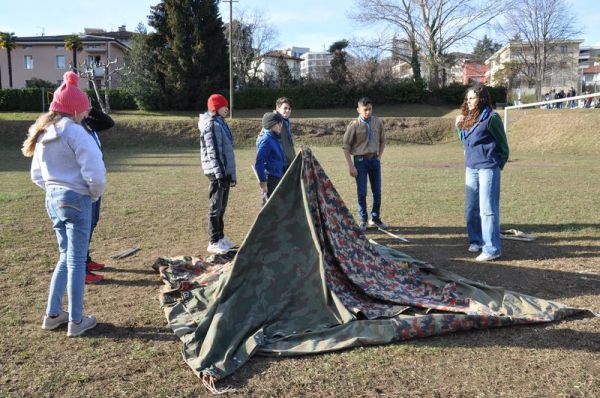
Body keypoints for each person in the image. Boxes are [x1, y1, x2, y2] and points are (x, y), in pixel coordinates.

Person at [22, 71, 106, 336]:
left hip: (53, 199)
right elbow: (96, 173)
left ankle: (53, 314)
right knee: (77, 261)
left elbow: (37, 175)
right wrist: (91, 195)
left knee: (65, 256)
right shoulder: (77, 133)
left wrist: (55, 190)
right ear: (76, 110)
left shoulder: (44, 133)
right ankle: (77, 320)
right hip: (77, 199)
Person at [455, 85, 509, 262]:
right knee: (471, 208)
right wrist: (458, 127)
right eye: (467, 98)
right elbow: (466, 141)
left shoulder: (492, 118)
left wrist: (495, 165)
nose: (468, 101)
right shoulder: (469, 117)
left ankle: (492, 249)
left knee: (487, 209)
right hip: (471, 168)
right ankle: (476, 241)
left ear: (482, 99)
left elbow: (504, 147)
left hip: (488, 168)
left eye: (472, 98)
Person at [198, 94, 237, 255]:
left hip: (224, 171)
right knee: (215, 207)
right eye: (223, 106)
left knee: (222, 206)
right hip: (216, 173)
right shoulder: (212, 125)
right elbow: (214, 152)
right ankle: (213, 240)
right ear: (215, 108)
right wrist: (220, 174)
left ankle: (220, 237)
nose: (227, 109)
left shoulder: (221, 124)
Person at [342, 97, 387, 232]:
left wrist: (379, 157)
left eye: (370, 109)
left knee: (377, 191)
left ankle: (375, 218)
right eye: (365, 109)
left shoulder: (377, 122)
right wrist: (351, 166)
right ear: (359, 109)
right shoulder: (354, 125)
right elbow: (346, 146)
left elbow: (383, 140)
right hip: (360, 161)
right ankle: (363, 219)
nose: (368, 112)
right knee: (362, 192)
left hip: (374, 160)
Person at [81, 107, 114, 284]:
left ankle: (85, 259)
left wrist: (89, 107)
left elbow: (108, 122)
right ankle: (82, 268)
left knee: (92, 222)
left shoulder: (88, 124)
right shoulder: (73, 128)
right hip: (83, 185)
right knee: (83, 225)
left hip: (95, 182)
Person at [255, 112, 286, 201]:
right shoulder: (266, 140)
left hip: (277, 176)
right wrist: (263, 183)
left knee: (277, 206)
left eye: (281, 123)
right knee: (268, 208)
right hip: (270, 179)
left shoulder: (275, 138)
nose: (281, 125)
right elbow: (259, 163)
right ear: (270, 124)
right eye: (278, 123)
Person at [257, 97, 296, 167]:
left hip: (289, 163)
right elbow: (260, 141)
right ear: (278, 108)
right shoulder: (272, 122)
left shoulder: (286, 122)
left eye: (289, 108)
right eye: (285, 108)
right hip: (279, 166)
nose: (288, 111)